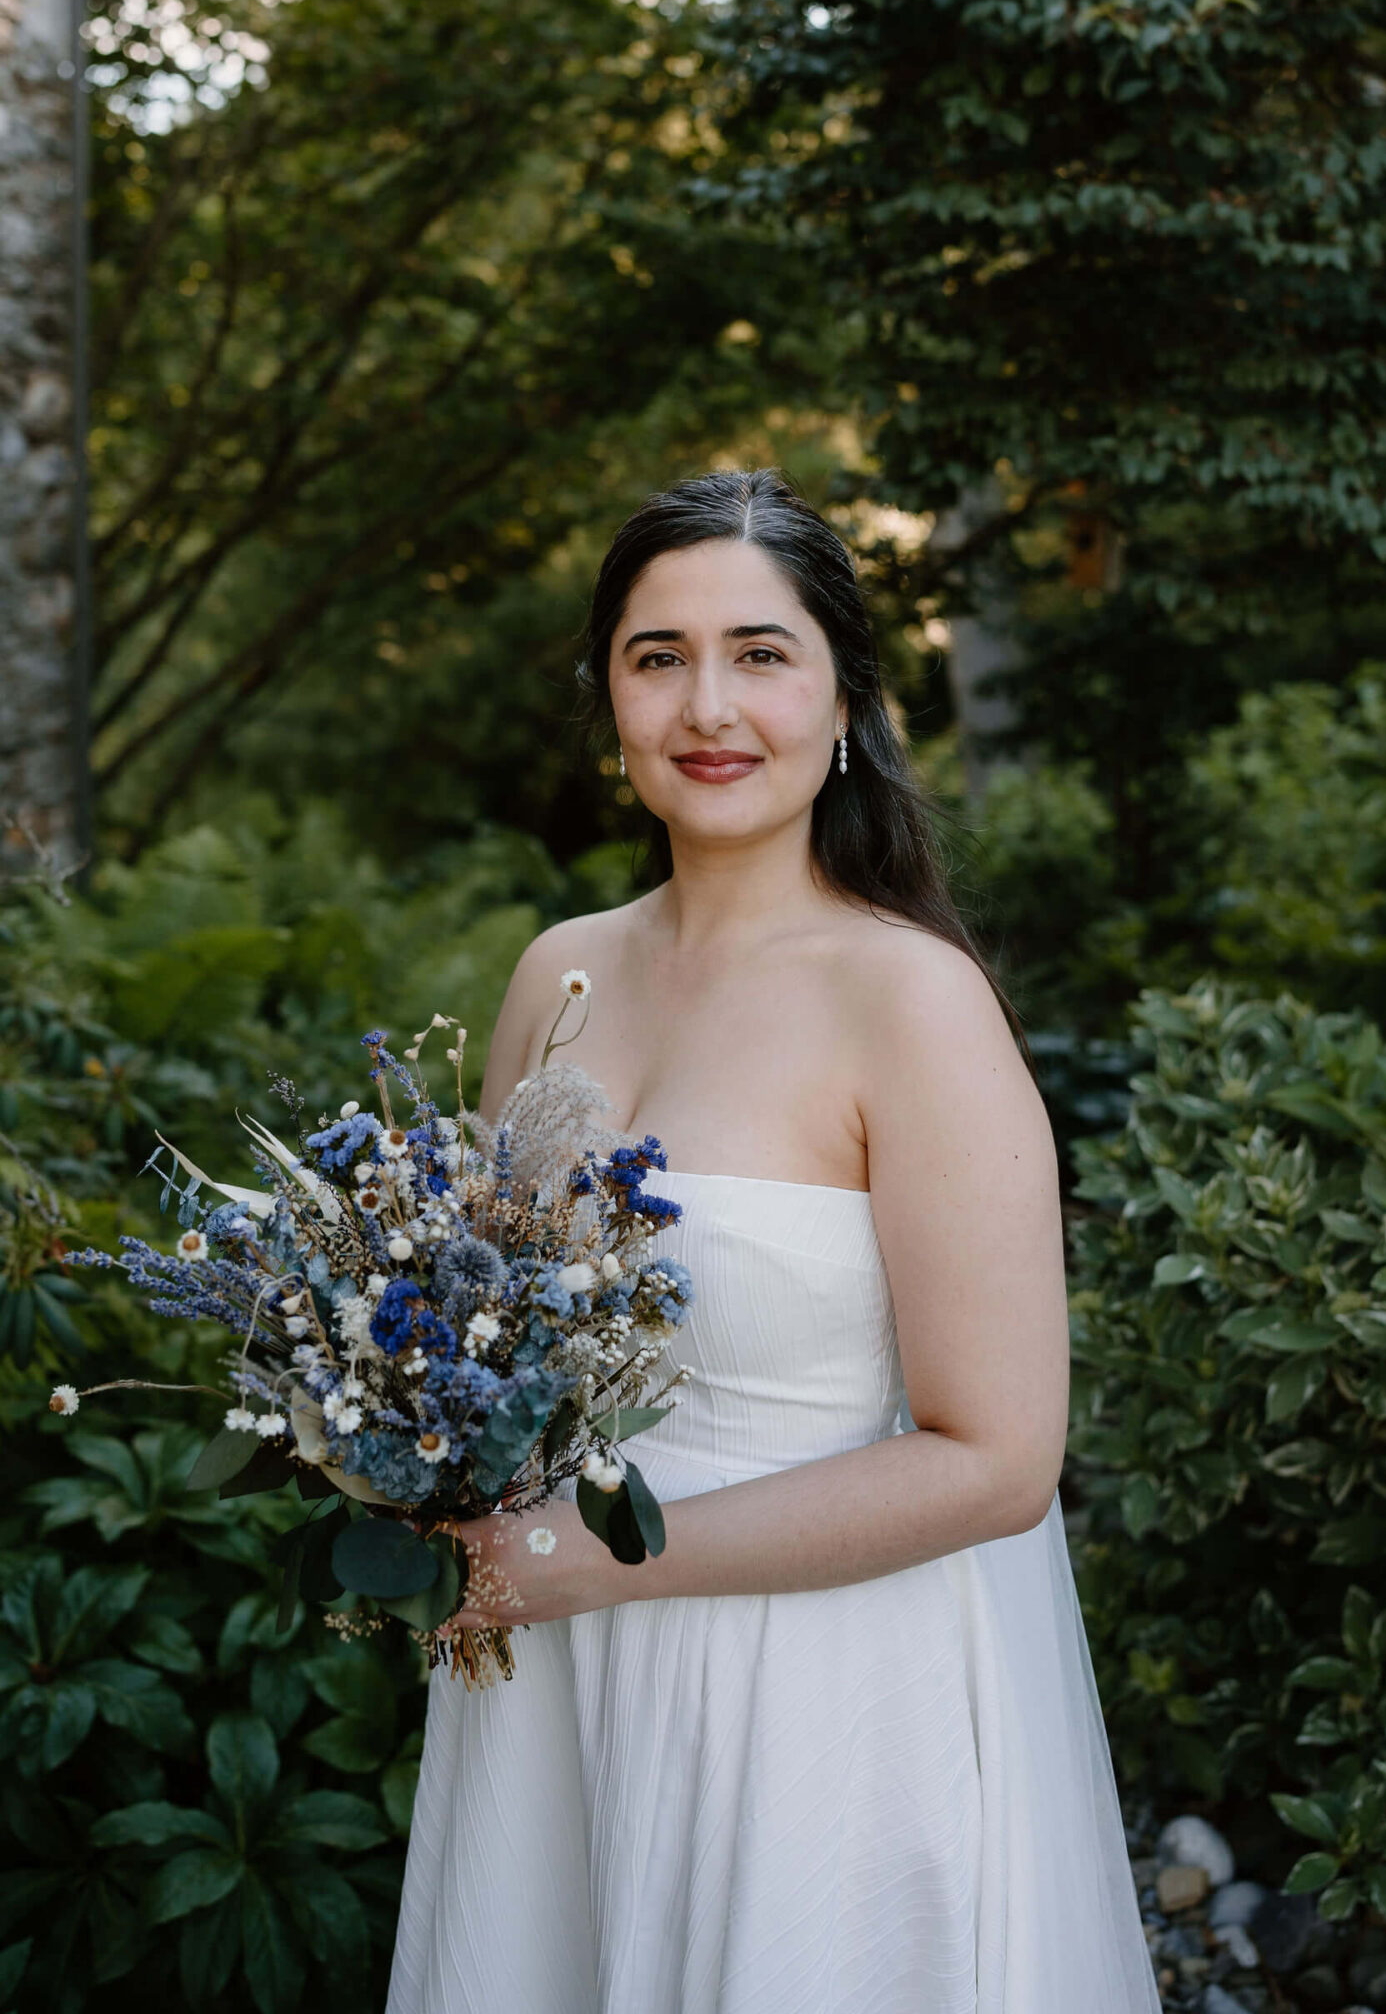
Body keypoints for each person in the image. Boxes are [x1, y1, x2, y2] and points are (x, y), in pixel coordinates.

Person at [387, 469, 1158, 2014]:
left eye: (762, 652)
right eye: (657, 657)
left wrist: (593, 1566)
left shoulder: (913, 1004)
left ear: (849, 703)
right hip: (554, 1683)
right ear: (609, 699)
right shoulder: (560, 976)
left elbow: (998, 1456)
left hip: (815, 1702)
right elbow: (486, 1331)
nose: (706, 706)